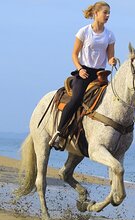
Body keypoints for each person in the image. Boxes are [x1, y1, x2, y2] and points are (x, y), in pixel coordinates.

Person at [49, 1, 117, 148]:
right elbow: (74, 54)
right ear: (96, 13)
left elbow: (110, 55)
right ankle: (59, 133)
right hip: (84, 72)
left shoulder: (110, 35)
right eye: (105, 12)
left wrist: (112, 60)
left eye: (109, 13)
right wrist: (79, 69)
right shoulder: (84, 32)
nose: (108, 15)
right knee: (76, 99)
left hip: (100, 74)